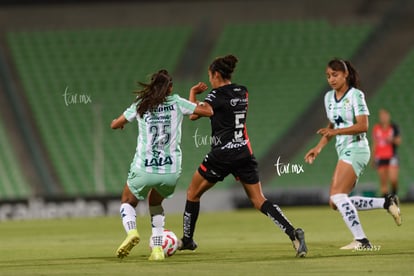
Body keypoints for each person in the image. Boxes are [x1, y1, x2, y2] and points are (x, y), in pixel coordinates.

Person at [178, 54, 308, 257]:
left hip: (221, 155)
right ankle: (293, 233)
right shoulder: (243, 91)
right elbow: (203, 112)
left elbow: (193, 114)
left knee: (192, 193)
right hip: (244, 152)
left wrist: (192, 93)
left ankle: (187, 239)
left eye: (210, 75)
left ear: (216, 74)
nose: (210, 80)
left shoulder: (215, 95)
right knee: (258, 199)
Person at [111, 69, 212, 261]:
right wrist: (194, 96)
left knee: (127, 201)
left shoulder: (141, 104)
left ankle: (132, 233)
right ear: (170, 87)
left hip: (145, 167)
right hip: (170, 170)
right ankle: (157, 250)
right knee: (156, 204)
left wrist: (118, 123)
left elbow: (115, 124)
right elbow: (208, 111)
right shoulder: (176, 102)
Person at [304, 59, 402, 250]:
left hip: (357, 149)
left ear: (345, 74)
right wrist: (319, 147)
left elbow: (363, 126)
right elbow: (332, 126)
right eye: (328, 76)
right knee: (335, 201)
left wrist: (336, 133)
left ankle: (362, 241)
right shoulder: (328, 98)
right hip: (343, 150)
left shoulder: (356, 95)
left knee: (338, 195)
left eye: (335, 75)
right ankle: (386, 202)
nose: (331, 79)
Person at [372, 108, 401, 197]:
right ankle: (386, 202)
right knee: (383, 181)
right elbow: (374, 144)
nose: (383, 118)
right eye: (381, 116)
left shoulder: (394, 127)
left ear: (388, 116)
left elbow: (399, 141)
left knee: (393, 179)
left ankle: (394, 195)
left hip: (391, 156)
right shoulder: (376, 128)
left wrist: (391, 139)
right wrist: (373, 158)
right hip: (380, 157)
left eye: (385, 115)